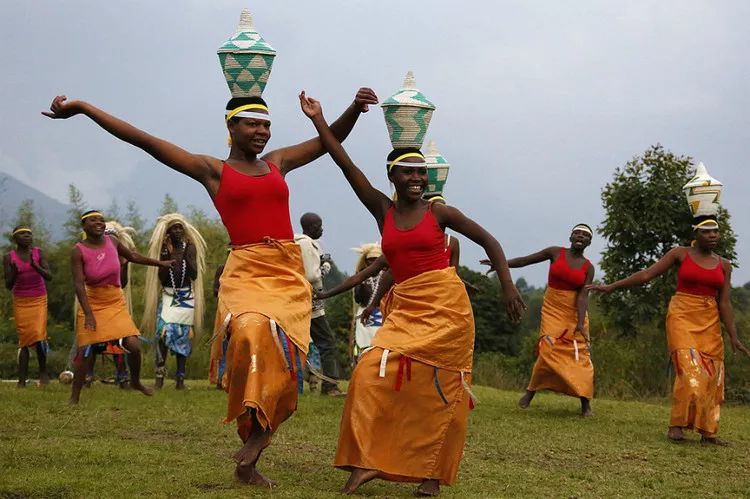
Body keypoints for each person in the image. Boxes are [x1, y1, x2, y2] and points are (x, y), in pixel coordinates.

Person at [44, 87, 378, 486]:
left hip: (285, 273)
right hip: (245, 271)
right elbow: (144, 140)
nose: (262, 131)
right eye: (252, 123)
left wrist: (353, 110)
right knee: (250, 335)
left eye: (267, 124)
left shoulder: (277, 163)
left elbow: (329, 141)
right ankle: (252, 433)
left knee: (283, 356)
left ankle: (256, 446)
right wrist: (82, 108)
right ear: (230, 126)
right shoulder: (212, 170)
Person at [300, 92, 525, 496]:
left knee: (440, 392)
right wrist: (320, 120)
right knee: (369, 376)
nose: (418, 179)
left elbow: (488, 240)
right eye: (409, 173)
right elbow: (344, 164)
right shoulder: (382, 210)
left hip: (448, 311)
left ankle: (432, 476)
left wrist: (507, 285)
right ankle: (365, 461)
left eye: (422, 173)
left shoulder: (440, 213)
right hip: (405, 311)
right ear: (393, 178)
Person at [589, 216, 749, 444]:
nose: (713, 235)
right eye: (707, 231)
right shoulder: (680, 254)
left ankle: (708, 432)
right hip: (682, 315)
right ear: (695, 234)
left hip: (709, 321)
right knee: (690, 369)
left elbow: (724, 302)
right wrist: (611, 287)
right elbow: (646, 275)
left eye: (716, 231)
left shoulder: (724, 264)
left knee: (712, 375)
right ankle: (677, 427)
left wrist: (733, 336)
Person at [484, 224, 595, 416]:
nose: (580, 237)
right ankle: (530, 393)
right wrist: (501, 264)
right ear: (570, 236)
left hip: (575, 313)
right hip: (553, 309)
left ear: (589, 242)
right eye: (577, 233)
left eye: (585, 235)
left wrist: (579, 323)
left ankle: (585, 404)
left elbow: (583, 296)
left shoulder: (588, 267)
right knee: (548, 349)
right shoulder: (555, 252)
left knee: (579, 355)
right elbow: (526, 261)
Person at [69, 210, 172, 405]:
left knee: (133, 345)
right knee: (84, 351)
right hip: (92, 302)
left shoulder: (113, 241)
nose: (99, 223)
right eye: (93, 220)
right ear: (84, 226)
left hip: (115, 300)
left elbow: (132, 256)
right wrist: (89, 314)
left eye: (101, 220)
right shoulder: (78, 250)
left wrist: (160, 263)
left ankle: (135, 382)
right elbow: (78, 285)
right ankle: (74, 396)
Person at [142, 213, 206, 389]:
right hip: (169, 296)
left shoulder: (190, 247)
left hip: (185, 298)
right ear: (168, 232)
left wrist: (184, 255)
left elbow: (193, 274)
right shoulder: (163, 250)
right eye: (174, 228)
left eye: (180, 228)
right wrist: (167, 256)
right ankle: (159, 380)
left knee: (183, 337)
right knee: (162, 336)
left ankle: (180, 380)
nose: (178, 231)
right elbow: (162, 278)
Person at [294, 212, 345, 396]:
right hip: (312, 302)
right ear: (311, 227)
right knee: (327, 342)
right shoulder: (307, 244)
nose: (322, 230)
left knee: (296, 343)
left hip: (297, 301)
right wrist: (324, 268)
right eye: (319, 226)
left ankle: (297, 382)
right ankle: (330, 385)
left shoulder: (297, 242)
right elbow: (312, 275)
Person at [3, 225, 52, 387]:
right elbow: (8, 285)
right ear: (15, 239)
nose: (27, 236)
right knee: (24, 339)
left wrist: (35, 265)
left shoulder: (38, 253)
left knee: (38, 335)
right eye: (23, 234)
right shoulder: (9, 257)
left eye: (29, 234)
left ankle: (43, 373)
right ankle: (22, 380)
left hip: (39, 299)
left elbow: (49, 276)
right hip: (21, 300)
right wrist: (15, 273)